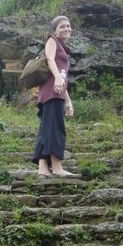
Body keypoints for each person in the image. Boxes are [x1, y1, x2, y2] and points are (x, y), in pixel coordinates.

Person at [32, 15, 78, 177]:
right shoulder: (52, 41)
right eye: (62, 26)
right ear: (55, 30)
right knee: (55, 129)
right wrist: (57, 77)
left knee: (46, 129)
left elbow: (63, 79)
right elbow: (50, 59)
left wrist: (68, 102)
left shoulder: (63, 48)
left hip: (56, 92)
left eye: (68, 26)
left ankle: (43, 168)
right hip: (51, 91)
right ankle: (57, 167)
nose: (66, 29)